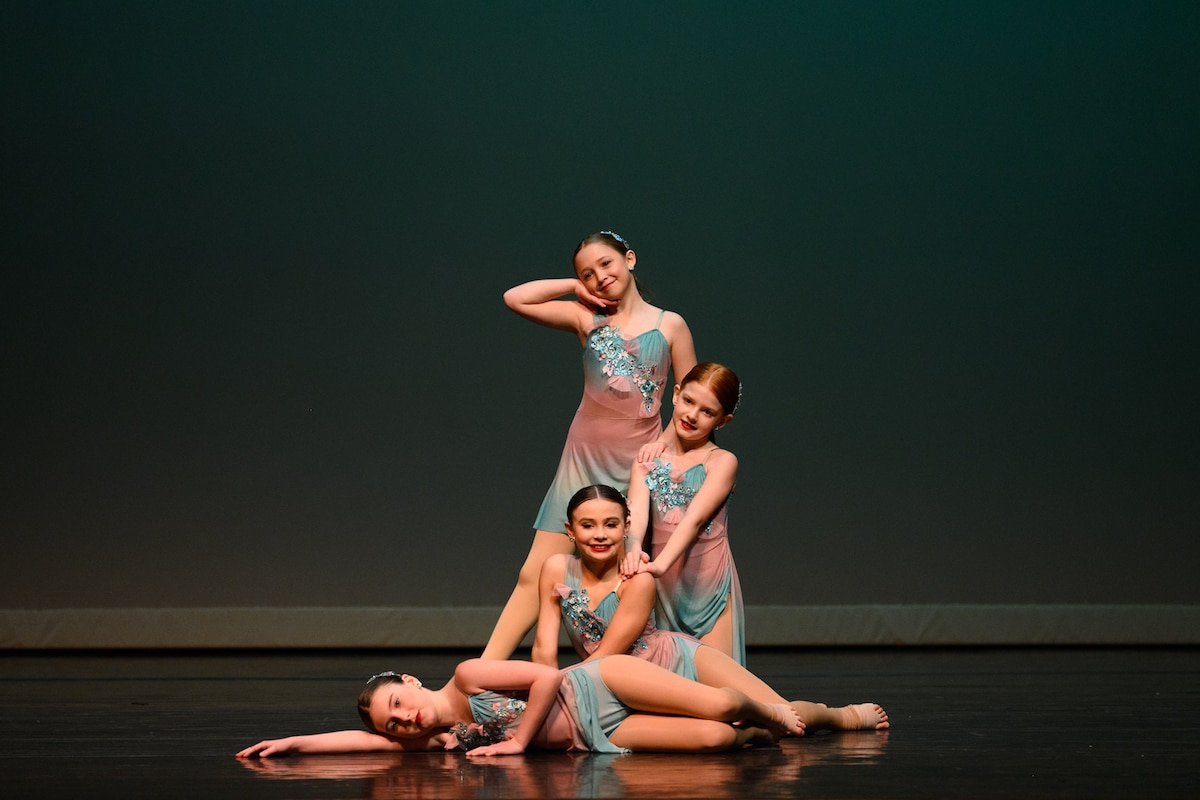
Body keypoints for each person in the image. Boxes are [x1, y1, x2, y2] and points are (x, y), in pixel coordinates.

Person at [482, 231, 697, 660]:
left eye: (606, 264)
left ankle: (661, 674)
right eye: (587, 273)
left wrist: (664, 447)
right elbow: (515, 298)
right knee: (533, 572)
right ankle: (477, 678)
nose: (599, 277)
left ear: (630, 259)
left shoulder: (668, 324)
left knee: (649, 577)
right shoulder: (587, 319)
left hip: (640, 464)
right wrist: (572, 287)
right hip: (582, 460)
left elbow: (691, 401)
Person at [535, 484, 888, 734]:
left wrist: (559, 694)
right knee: (725, 729)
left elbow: (607, 658)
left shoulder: (638, 580)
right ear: (570, 530)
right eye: (588, 525)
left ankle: (839, 717)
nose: (600, 534)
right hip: (613, 683)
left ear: (627, 527)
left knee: (783, 715)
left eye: (611, 524)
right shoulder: (555, 569)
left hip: (673, 664)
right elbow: (543, 648)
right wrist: (542, 693)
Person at [236, 654, 801, 758]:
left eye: (399, 701)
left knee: (724, 704)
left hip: (599, 685)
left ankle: (783, 711)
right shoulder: (441, 737)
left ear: (410, 680)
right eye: (396, 722)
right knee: (718, 739)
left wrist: (520, 742)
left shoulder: (466, 678)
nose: (405, 718)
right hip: (593, 736)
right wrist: (294, 743)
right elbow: (365, 740)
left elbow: (549, 675)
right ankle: (758, 732)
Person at [622, 362, 746, 663]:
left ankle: (825, 712)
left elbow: (694, 520)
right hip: (663, 583)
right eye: (689, 401)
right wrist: (634, 550)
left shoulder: (721, 462)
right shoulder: (648, 460)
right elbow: (637, 514)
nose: (692, 415)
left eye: (707, 411)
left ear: (723, 421)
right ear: (676, 394)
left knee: (724, 692)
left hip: (706, 582)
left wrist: (660, 565)